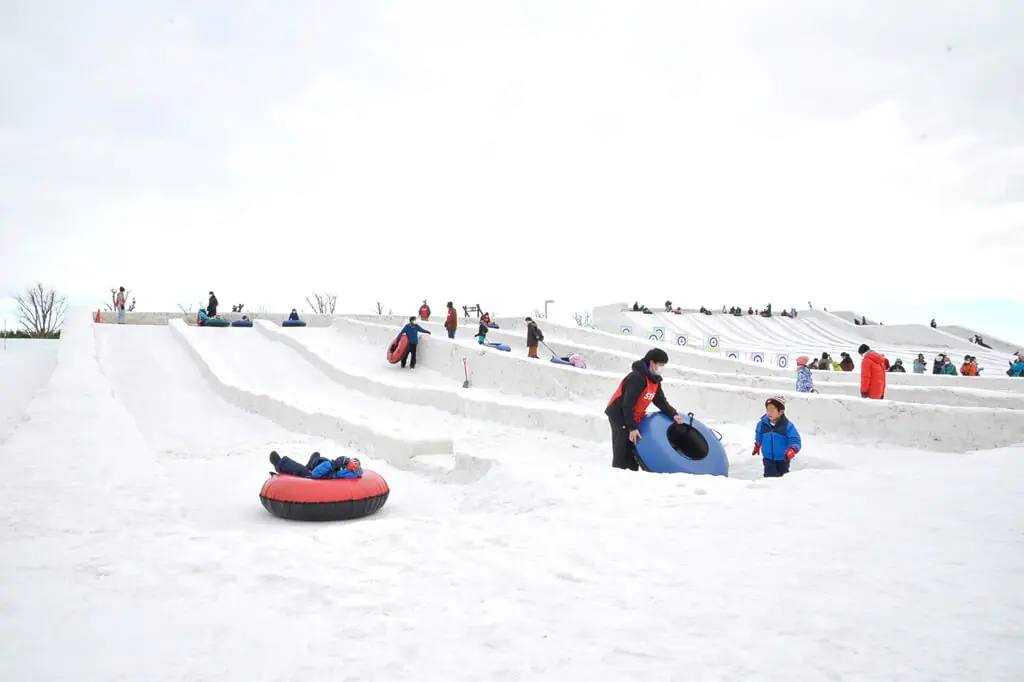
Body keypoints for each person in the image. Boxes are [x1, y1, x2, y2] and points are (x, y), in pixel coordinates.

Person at [604, 348, 685, 471]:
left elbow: (661, 401)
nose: (662, 368)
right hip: (619, 415)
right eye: (661, 365)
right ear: (652, 363)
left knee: (632, 448)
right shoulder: (637, 378)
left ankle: (631, 471)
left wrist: (673, 414)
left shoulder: (655, 381)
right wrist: (631, 427)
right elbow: (627, 404)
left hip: (633, 415)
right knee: (622, 448)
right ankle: (619, 472)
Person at [751, 396, 802, 478]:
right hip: (768, 458)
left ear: (781, 412)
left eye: (772, 410)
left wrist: (793, 449)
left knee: (782, 478)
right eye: (767, 410)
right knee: (770, 477)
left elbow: (795, 440)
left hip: (783, 459)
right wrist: (758, 444)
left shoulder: (788, 426)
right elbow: (759, 435)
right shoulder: (761, 424)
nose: (769, 413)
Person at [269, 451, 363, 479]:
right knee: (317, 457)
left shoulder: (341, 474)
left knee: (300, 469)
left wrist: (333, 464)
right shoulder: (349, 472)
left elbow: (316, 474)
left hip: (315, 475)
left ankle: (280, 463)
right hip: (320, 468)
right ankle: (312, 463)